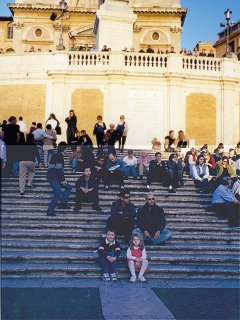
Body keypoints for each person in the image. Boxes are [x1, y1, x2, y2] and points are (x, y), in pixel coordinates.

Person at [46, 142, 73, 216]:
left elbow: (59, 169)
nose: (67, 150)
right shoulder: (58, 156)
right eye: (66, 149)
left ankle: (63, 204)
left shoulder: (59, 155)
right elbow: (59, 169)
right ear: (64, 149)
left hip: (56, 177)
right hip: (53, 177)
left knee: (69, 187)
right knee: (58, 193)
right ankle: (50, 211)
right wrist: (63, 180)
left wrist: (62, 179)